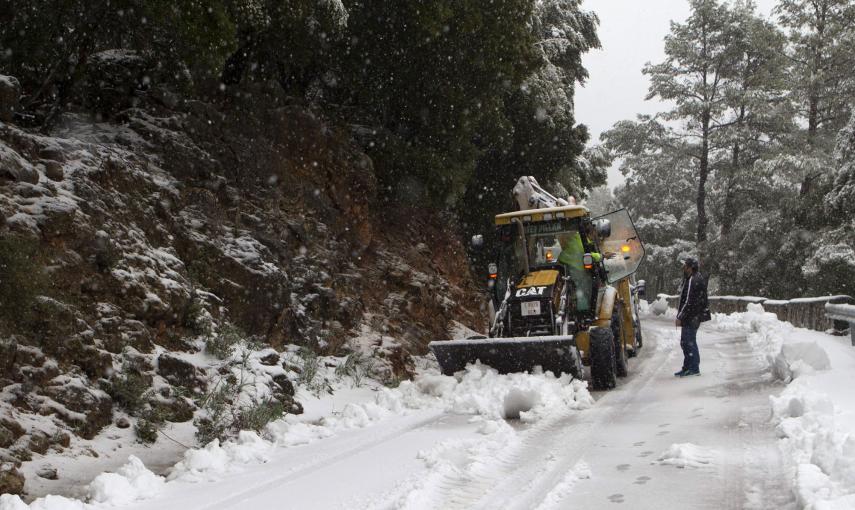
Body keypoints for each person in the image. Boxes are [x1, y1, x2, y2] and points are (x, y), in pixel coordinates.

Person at [558, 229, 612, 312]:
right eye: (594, 234)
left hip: (564, 265)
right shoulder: (581, 242)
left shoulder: (578, 238)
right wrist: (602, 256)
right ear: (590, 233)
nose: (595, 237)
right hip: (573, 267)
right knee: (583, 287)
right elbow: (588, 255)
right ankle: (583, 310)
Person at [675, 257, 707, 377]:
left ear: (690, 268)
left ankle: (693, 368)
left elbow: (688, 301)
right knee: (686, 342)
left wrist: (680, 316)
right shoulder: (693, 278)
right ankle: (688, 367)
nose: (684, 268)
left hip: (692, 316)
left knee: (689, 342)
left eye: (685, 266)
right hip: (693, 316)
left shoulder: (693, 280)